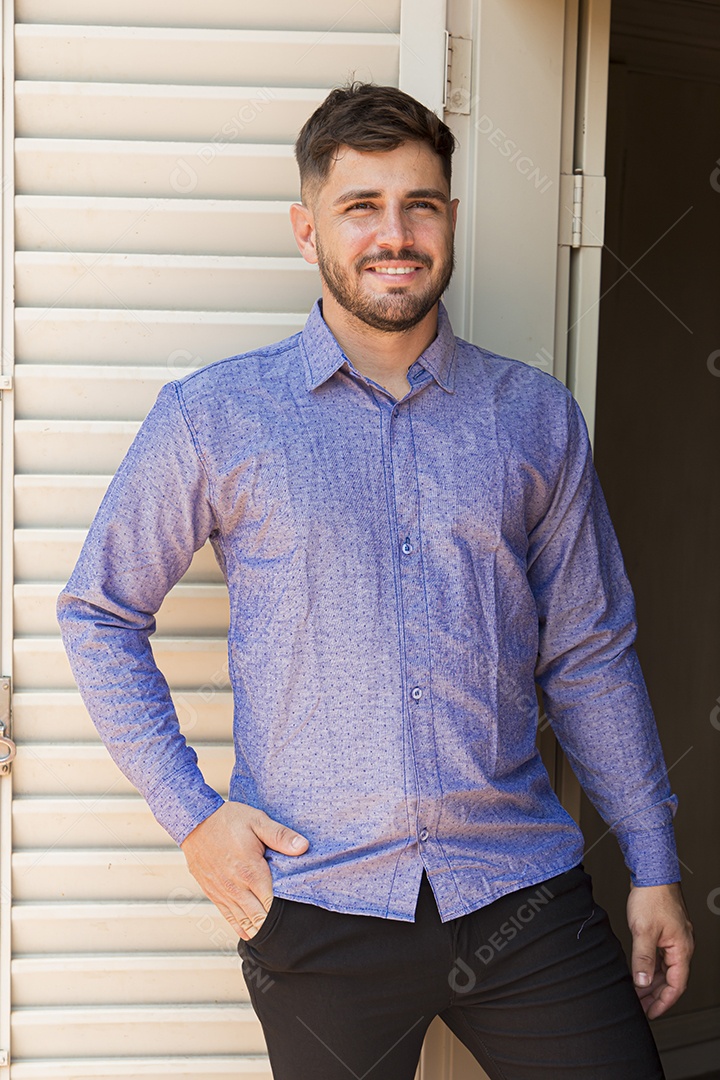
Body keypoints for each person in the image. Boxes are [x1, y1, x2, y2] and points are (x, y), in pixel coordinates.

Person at [57, 82, 693, 1079]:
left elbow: (588, 652)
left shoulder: (533, 416)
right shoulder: (213, 416)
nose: (394, 233)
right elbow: (97, 613)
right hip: (317, 910)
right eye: (362, 207)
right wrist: (193, 816)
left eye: (420, 204)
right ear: (309, 228)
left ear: (448, 218)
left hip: (523, 893)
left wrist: (654, 864)